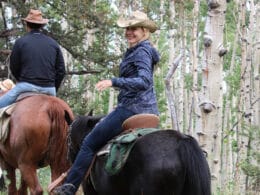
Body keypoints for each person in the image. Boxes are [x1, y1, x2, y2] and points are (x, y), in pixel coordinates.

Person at [53, 10, 160, 195]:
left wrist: (114, 81)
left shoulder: (141, 51)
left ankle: (69, 188)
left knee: (88, 143)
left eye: (134, 28)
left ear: (144, 31)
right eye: (127, 28)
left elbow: (144, 81)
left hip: (131, 109)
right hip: (150, 110)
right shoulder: (143, 50)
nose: (129, 32)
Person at [0, 9, 65, 108]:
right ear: (42, 25)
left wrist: (22, 80)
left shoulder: (20, 42)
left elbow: (14, 67)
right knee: (68, 119)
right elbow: (61, 70)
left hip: (26, 86)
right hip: (49, 89)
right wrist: (52, 86)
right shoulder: (53, 43)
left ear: (27, 25)